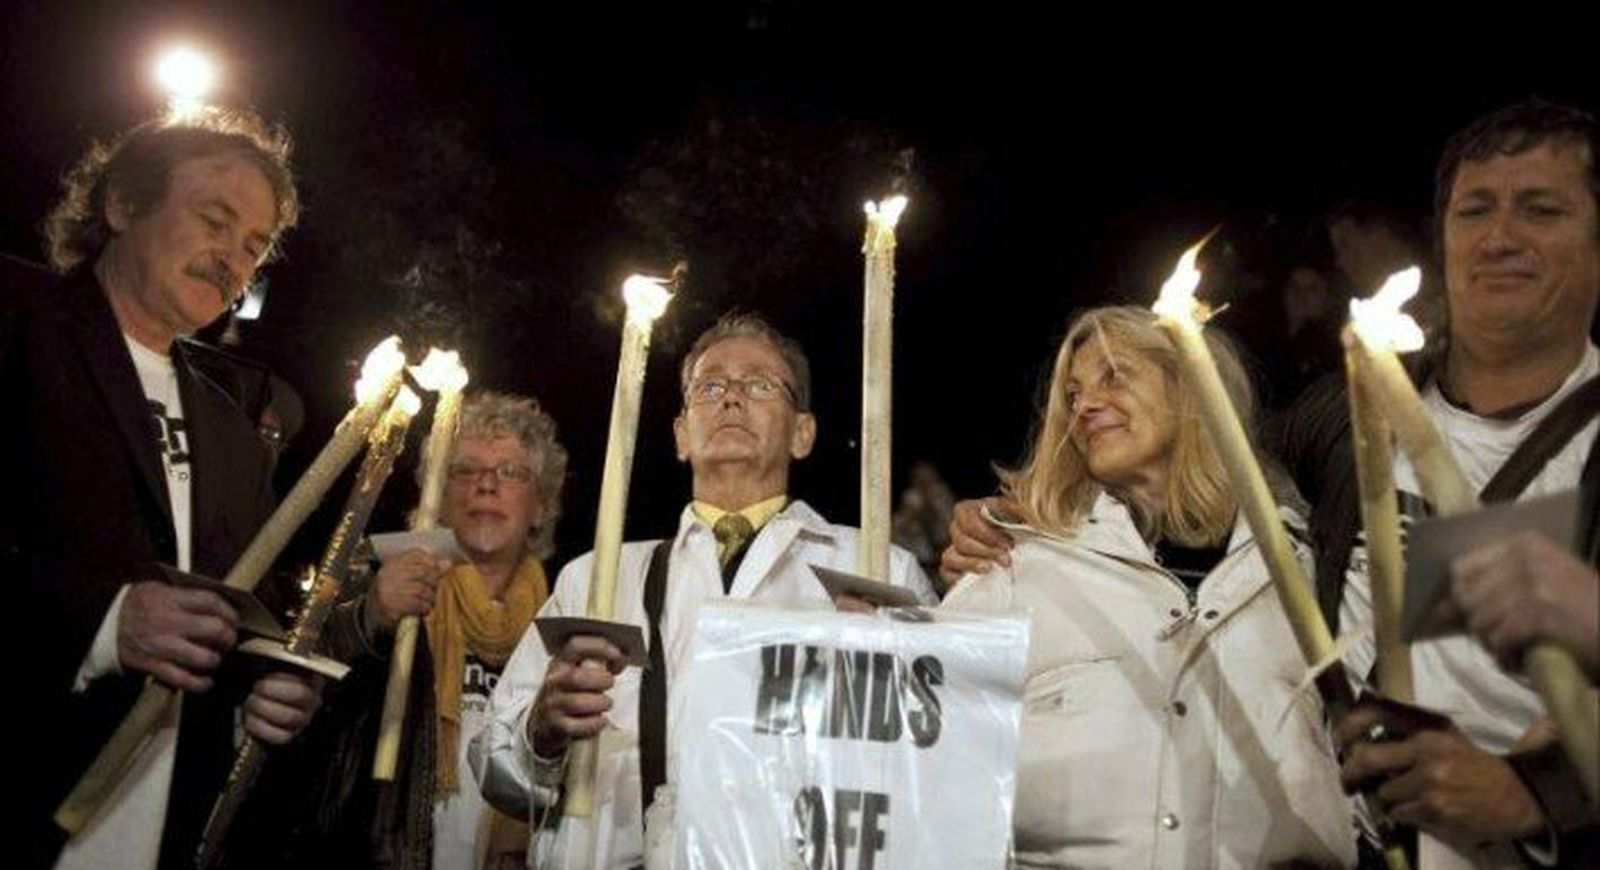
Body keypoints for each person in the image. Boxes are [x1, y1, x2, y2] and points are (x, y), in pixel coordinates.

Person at [473, 312, 936, 868]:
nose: (732, 399)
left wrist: (875, 690)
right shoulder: (598, 576)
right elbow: (496, 766)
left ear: (803, 433)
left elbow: (932, 764)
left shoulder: (879, 570)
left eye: (761, 385)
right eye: (710, 386)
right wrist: (541, 732)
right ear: (680, 435)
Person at [2, 108, 325, 870]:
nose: (232, 260)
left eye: (254, 248)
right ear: (122, 205)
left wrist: (261, 693)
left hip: (156, 826)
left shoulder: (235, 431)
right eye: (216, 221)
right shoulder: (21, 325)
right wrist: (104, 624)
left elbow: (234, 614)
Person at [942, 305, 1356, 867]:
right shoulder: (1014, 566)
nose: (1084, 405)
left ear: (1192, 387)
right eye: (1072, 394)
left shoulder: (1308, 569)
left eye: (1115, 376)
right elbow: (926, 762)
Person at [353, 391, 569, 870]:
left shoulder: (564, 621)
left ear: (540, 506)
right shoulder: (382, 588)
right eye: (465, 470)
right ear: (438, 492)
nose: (486, 486)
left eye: (511, 472)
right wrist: (367, 618)